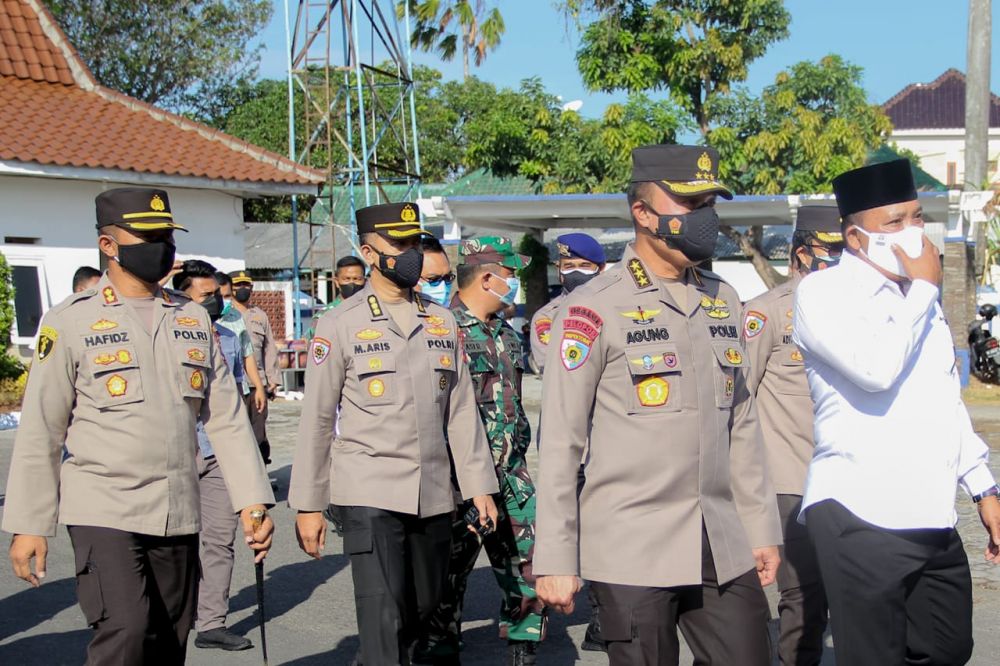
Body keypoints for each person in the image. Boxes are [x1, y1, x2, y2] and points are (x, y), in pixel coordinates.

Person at [534, 145, 782, 666]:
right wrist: (555, 555)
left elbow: (741, 423)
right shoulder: (593, 306)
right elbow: (561, 440)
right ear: (643, 213)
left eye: (710, 202)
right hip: (631, 545)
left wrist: (759, 528)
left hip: (720, 538)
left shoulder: (724, 298)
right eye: (691, 204)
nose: (706, 218)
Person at [4, 187, 275, 664]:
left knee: (170, 637)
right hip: (104, 504)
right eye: (148, 235)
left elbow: (227, 418)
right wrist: (29, 524)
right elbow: (42, 429)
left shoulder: (191, 317)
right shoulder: (70, 321)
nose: (162, 246)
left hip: (177, 505)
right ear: (108, 245)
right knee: (125, 631)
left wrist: (251, 500)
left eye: (166, 235)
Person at [792, 159, 1000, 665]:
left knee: (948, 648)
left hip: (929, 513)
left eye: (916, 217)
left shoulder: (921, 302)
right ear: (856, 238)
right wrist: (925, 287)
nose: (912, 232)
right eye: (894, 222)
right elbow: (875, 369)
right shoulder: (822, 293)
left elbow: (944, 398)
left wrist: (983, 486)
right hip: (859, 512)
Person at [288, 201, 500, 665]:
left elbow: (461, 410)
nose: (410, 254)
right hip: (370, 490)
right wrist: (308, 503)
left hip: (433, 492)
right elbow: (319, 418)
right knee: (383, 613)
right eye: (397, 245)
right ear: (368, 252)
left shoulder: (441, 322)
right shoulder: (340, 323)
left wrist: (480, 485)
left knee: (422, 610)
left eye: (413, 244)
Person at [417, 237, 544, 665]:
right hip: (460, 482)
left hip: (512, 477)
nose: (514, 285)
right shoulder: (439, 331)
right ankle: (439, 648)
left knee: (528, 567)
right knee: (447, 577)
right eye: (510, 276)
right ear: (487, 277)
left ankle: (525, 644)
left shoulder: (507, 335)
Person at [742, 204, 844, 666]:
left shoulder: (860, 311)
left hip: (847, 479)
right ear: (800, 254)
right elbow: (736, 399)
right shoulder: (766, 315)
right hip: (789, 481)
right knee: (801, 597)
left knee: (838, 597)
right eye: (830, 250)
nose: (839, 260)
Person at [527, 232, 608, 652]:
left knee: (604, 534)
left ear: (600, 269)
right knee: (563, 528)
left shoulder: (619, 306)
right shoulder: (548, 316)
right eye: (566, 266)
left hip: (608, 446)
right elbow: (554, 361)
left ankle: (601, 616)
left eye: (581, 266)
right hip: (569, 447)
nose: (572, 272)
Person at [173, 262, 255, 651]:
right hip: (176, 453)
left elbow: (232, 398)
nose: (215, 304)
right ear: (181, 296)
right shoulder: (166, 338)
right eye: (205, 297)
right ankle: (175, 613)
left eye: (217, 296)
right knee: (176, 542)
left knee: (219, 540)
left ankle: (211, 623)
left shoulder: (228, 336)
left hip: (217, 451)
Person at [529, 233, 606, 373]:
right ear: (559, 270)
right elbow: (551, 367)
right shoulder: (547, 316)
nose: (576, 272)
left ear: (601, 268)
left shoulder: (614, 305)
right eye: (569, 266)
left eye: (585, 265)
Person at [229, 270, 281, 464]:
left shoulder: (259, 315)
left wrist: (273, 381)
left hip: (257, 383)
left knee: (259, 433)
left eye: (246, 285)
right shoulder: (226, 315)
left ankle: (262, 477)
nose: (242, 289)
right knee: (238, 434)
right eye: (238, 285)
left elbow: (269, 349)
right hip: (235, 383)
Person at [215, 271, 268, 424]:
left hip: (238, 391)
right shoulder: (197, 319)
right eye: (220, 296)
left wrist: (259, 387)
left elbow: (247, 354)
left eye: (227, 296)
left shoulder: (235, 317)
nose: (224, 301)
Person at [307, 255, 367, 337]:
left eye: (357, 279)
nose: (352, 283)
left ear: (365, 281)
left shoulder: (374, 311)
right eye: (346, 279)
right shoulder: (324, 316)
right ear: (337, 282)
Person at [417, 236, 455, 306]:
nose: (442, 287)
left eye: (447, 278)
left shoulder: (451, 315)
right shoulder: (396, 316)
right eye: (434, 279)